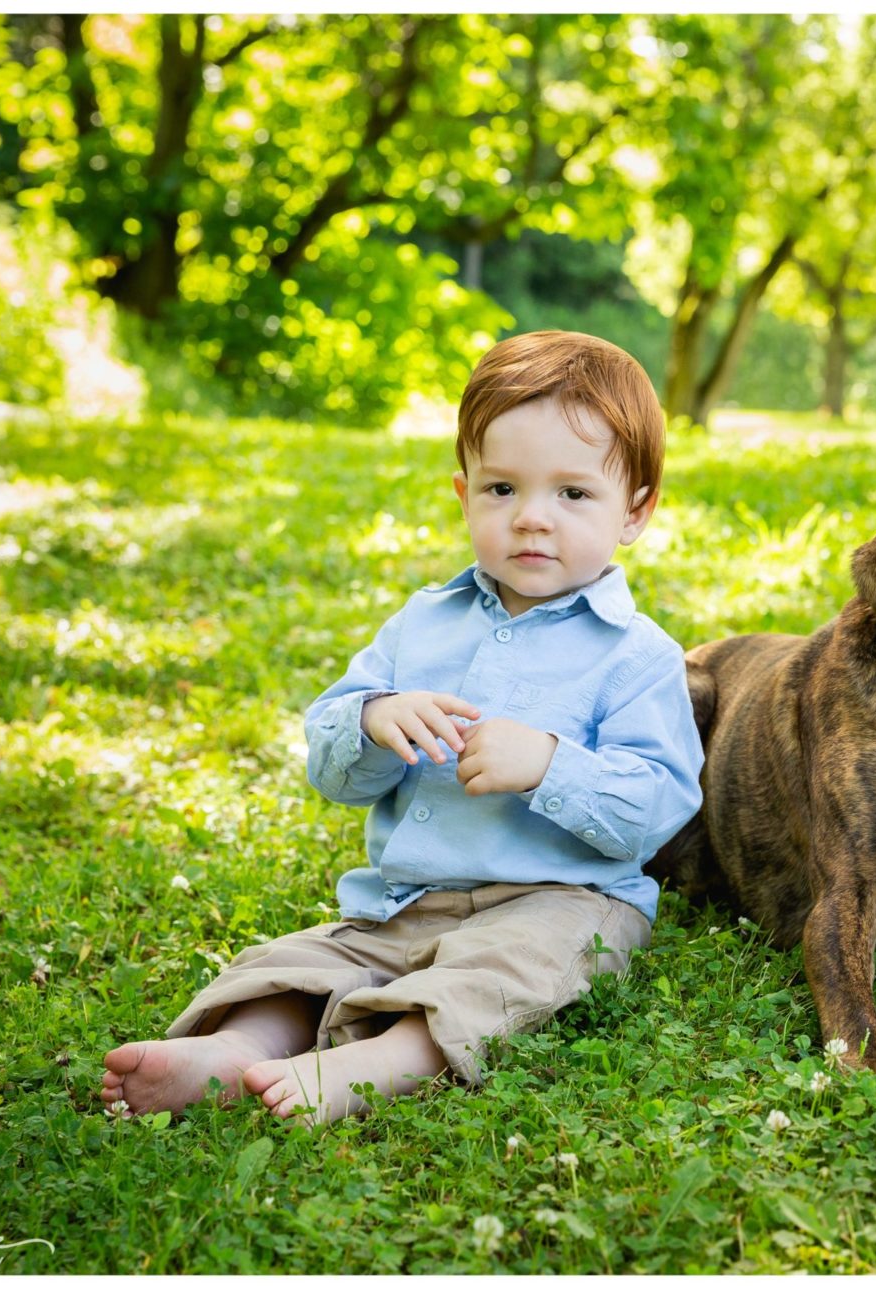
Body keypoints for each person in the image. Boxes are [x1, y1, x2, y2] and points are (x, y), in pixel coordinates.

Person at [100, 331, 703, 1126]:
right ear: (462, 494)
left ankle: (380, 1062)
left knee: (503, 972)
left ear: (637, 511)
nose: (531, 519)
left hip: (562, 900)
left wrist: (551, 765)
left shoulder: (637, 655)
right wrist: (376, 721)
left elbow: (658, 805)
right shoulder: (421, 625)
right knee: (310, 959)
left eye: (572, 494)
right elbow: (330, 764)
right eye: (500, 490)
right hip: (403, 899)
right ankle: (235, 1047)